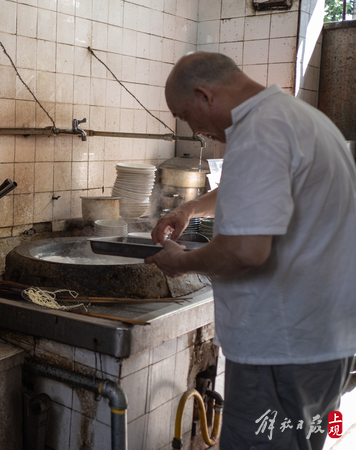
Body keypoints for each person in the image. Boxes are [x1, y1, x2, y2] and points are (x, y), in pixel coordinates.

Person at [147, 52, 356, 450]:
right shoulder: (298, 119)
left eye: (188, 115)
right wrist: (189, 208)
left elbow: (245, 251)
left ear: (205, 94)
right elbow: (257, 191)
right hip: (319, 344)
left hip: (281, 353)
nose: (196, 130)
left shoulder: (259, 129)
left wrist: (182, 262)